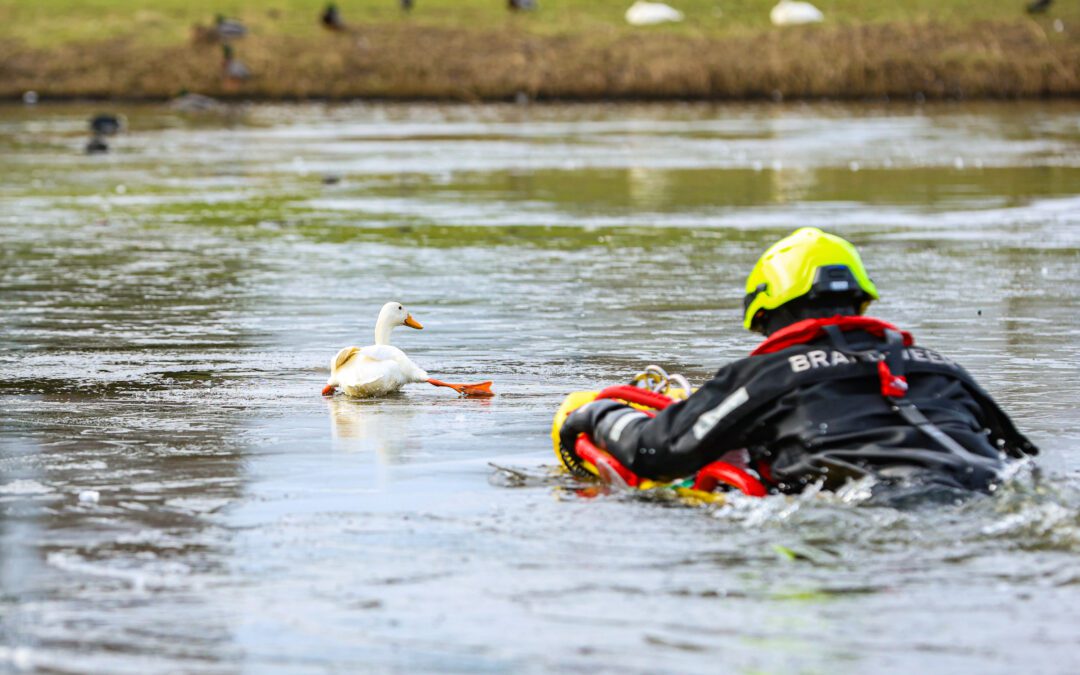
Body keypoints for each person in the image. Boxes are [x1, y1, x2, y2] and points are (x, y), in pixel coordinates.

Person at [559, 227, 1037, 498]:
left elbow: (656, 454)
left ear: (766, 314)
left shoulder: (769, 375)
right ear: (861, 304)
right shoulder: (940, 368)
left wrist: (595, 414)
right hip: (984, 494)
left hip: (874, 515)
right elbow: (1021, 457)